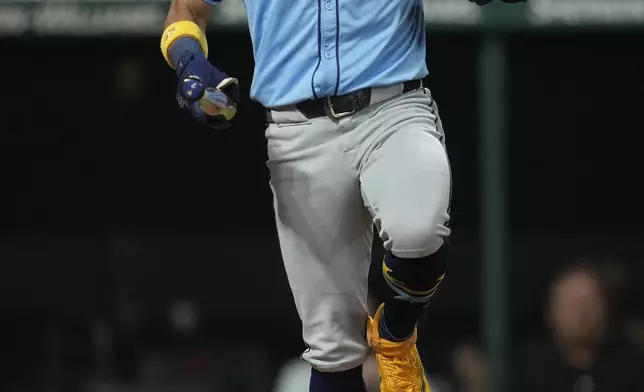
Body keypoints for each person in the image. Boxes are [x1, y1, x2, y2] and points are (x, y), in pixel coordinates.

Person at [159, 0, 523, 390]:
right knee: (333, 349)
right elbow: (186, 11)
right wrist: (189, 63)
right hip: (296, 130)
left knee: (420, 232)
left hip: (393, 105)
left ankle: (395, 335)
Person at [512, 262, 644, 392]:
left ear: (606, 310)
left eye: (589, 303)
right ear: (549, 312)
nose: (582, 313)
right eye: (572, 304)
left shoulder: (630, 367)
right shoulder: (525, 370)